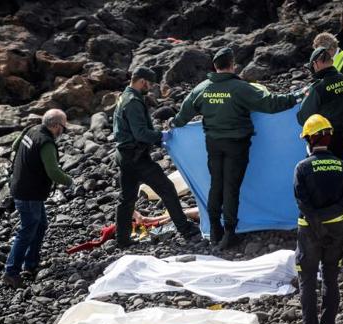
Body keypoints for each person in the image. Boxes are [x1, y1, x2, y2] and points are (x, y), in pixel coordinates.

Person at [169, 47, 304, 249]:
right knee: (231, 187)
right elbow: (270, 104)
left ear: (215, 67)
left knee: (216, 184)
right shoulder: (240, 88)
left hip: (213, 144)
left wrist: (172, 124)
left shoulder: (202, 89)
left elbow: (183, 116)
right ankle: (230, 233)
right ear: (232, 65)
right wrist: (297, 96)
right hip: (236, 144)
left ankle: (215, 229)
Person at [113, 67, 200, 248]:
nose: (151, 88)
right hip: (137, 158)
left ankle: (122, 240)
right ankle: (185, 229)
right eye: (150, 84)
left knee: (127, 198)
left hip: (124, 156)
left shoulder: (124, 97)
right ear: (142, 81)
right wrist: (161, 136)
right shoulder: (133, 102)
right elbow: (140, 133)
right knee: (167, 189)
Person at [293, 114, 343, 324]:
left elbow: (302, 202)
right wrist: (330, 215)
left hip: (309, 230)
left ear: (310, 139)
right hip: (337, 228)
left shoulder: (302, 167)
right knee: (331, 277)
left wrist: (318, 221)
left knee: (307, 279)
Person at [4, 109, 73, 289]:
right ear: (56, 126)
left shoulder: (31, 130)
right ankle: (11, 272)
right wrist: (70, 181)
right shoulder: (46, 143)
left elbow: (14, 147)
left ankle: (31, 264)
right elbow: (53, 172)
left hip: (22, 187)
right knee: (27, 230)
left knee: (41, 225)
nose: (62, 133)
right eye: (63, 129)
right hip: (29, 193)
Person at [297, 47, 343, 159]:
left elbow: (303, 117)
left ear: (316, 64)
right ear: (331, 61)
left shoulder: (317, 88)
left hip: (330, 140)